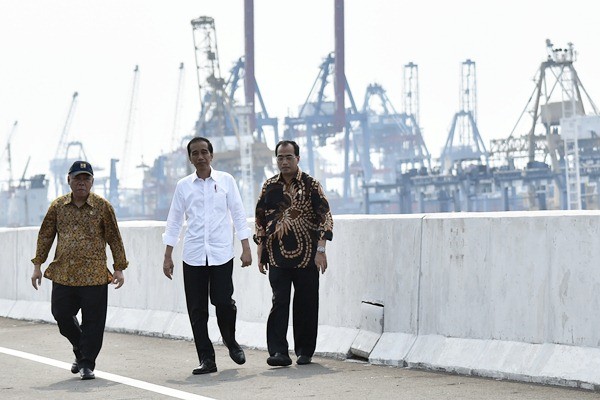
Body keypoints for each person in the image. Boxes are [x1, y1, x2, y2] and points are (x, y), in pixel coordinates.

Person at [162, 136, 252, 375]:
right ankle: (206, 359)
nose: (200, 157)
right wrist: (168, 255)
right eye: (195, 153)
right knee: (197, 310)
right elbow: (174, 221)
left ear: (211, 155)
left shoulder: (226, 181)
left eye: (204, 152)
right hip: (193, 255)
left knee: (223, 301)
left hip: (222, 253)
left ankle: (231, 341)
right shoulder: (183, 186)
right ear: (190, 158)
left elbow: (238, 214)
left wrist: (246, 247)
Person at [31, 160, 128, 380]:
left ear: (92, 181)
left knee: (93, 322)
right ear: (69, 180)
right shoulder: (57, 206)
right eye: (77, 178)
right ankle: (80, 348)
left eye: (86, 179)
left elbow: (114, 238)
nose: (81, 183)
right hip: (63, 273)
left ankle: (86, 364)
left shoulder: (103, 207)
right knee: (61, 315)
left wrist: (119, 268)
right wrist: (38, 265)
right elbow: (45, 236)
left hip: (94, 274)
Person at [254, 140, 333, 367]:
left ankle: (305, 351)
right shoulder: (269, 186)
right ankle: (279, 352)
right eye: (280, 157)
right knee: (279, 302)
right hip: (277, 256)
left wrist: (321, 250)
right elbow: (261, 220)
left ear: (297, 158)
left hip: (307, 257)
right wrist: (261, 249)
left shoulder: (311, 185)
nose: (284, 161)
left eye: (288, 157)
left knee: (306, 304)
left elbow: (325, 218)